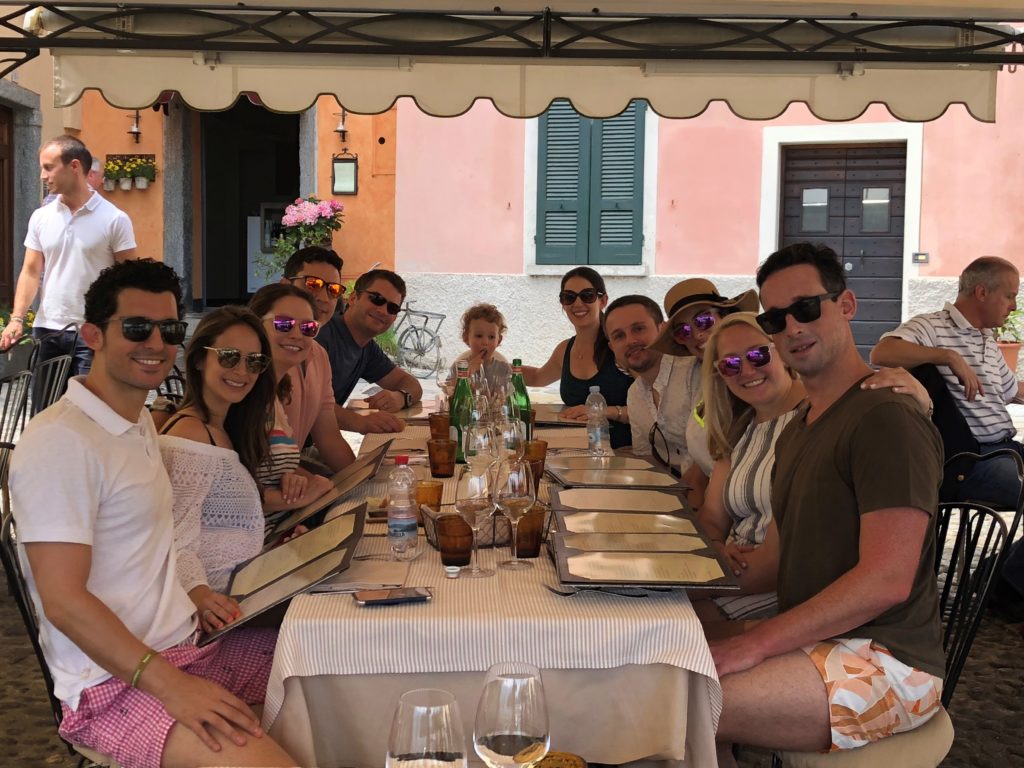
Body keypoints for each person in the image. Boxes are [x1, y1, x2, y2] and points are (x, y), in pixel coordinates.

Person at [9, 259, 295, 768]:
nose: (157, 343)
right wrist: (173, 688)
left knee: (337, 662)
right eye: (137, 328)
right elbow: (64, 602)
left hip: (190, 644)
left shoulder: (137, 421)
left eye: (170, 329)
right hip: (113, 686)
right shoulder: (61, 441)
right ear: (92, 335)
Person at [711, 243, 944, 765]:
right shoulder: (798, 428)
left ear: (847, 305)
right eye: (776, 318)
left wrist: (757, 642)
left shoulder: (887, 418)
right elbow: (774, 560)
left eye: (807, 308)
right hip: (820, 640)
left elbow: (887, 579)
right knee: (652, 653)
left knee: (680, 694)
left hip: (890, 662)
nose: (792, 326)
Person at [158, 306, 276, 634]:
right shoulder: (189, 436)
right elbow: (171, 537)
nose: (243, 371)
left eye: (254, 361)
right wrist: (200, 595)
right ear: (199, 360)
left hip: (242, 593)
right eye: (228, 357)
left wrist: (276, 551)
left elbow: (220, 523)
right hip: (215, 614)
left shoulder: (223, 430)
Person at [870, 256, 1023, 508]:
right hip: (971, 460)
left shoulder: (986, 337)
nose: (1014, 306)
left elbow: (1013, 390)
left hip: (1007, 450)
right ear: (982, 292)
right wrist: (948, 356)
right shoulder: (932, 325)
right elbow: (881, 353)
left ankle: (1010, 551)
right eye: (1009, 296)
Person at [1, 136, 137, 375]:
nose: (43, 176)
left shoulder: (115, 219)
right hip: (47, 329)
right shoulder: (41, 217)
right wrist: (17, 318)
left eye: (48, 167)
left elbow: (129, 279)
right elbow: (31, 271)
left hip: (94, 330)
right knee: (46, 410)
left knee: (86, 408)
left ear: (74, 166)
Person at [647, 278, 759, 505]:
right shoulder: (708, 380)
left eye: (704, 320)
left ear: (724, 317)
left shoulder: (753, 379)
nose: (697, 334)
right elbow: (703, 463)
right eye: (684, 331)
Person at [521, 266, 633, 448]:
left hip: (624, 454)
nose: (578, 303)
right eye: (569, 297)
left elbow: (654, 408)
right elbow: (537, 377)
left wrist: (604, 412)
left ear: (603, 300)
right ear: (563, 304)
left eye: (587, 295)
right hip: (577, 451)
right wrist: (493, 366)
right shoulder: (565, 349)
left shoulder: (618, 346)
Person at [248, 284, 334, 513]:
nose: (296, 334)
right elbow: (227, 492)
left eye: (307, 328)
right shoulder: (243, 393)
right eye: (283, 324)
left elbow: (265, 474)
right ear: (255, 325)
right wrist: (304, 496)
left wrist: (293, 479)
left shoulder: (274, 395)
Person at [315, 268, 423, 434]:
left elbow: (411, 384)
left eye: (392, 308)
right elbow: (310, 404)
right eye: (376, 299)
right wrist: (361, 422)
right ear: (353, 298)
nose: (383, 311)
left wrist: (400, 397)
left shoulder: (366, 347)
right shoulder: (322, 336)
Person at [279, 246, 357, 472]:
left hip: (290, 480)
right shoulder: (258, 350)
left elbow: (329, 438)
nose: (323, 298)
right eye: (312, 284)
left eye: (333, 290)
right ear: (285, 285)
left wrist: (361, 484)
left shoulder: (318, 355)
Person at [603, 295, 686, 465]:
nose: (630, 341)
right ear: (612, 347)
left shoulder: (690, 374)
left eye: (639, 329)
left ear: (662, 329)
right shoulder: (635, 394)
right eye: (619, 336)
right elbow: (647, 460)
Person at [451, 303, 511, 392]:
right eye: (479, 336)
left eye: (491, 337)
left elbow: (509, 401)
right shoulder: (457, 367)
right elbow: (451, 397)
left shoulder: (504, 369)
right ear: (466, 338)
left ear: (499, 340)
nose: (485, 342)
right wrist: (467, 374)